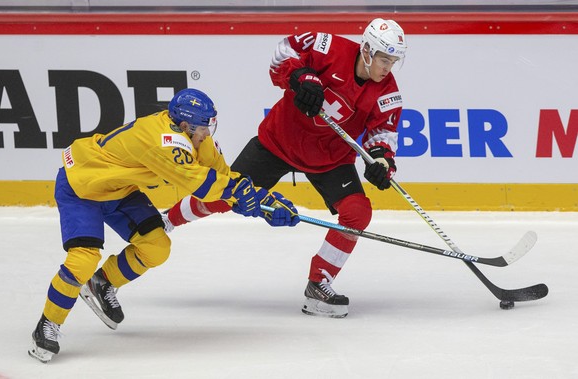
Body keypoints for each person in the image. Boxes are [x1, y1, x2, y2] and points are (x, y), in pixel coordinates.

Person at [28, 88, 299, 363]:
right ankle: (48, 324)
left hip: (120, 190)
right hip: (82, 187)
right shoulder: (161, 140)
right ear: (185, 125)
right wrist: (240, 195)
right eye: (203, 127)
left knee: (157, 246)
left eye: (209, 125)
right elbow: (203, 185)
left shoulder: (198, 139)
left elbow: (225, 178)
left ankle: (103, 282)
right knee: (83, 259)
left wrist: (265, 201)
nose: (207, 133)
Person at [163, 19, 407, 318]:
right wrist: (301, 76)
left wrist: (381, 160)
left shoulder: (388, 91)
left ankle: (319, 283)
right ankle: (166, 221)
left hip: (330, 158)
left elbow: (382, 133)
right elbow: (284, 51)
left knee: (358, 212)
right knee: (223, 196)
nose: (388, 68)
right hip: (278, 142)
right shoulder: (329, 47)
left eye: (393, 61)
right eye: (384, 59)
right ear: (367, 50)